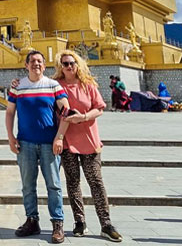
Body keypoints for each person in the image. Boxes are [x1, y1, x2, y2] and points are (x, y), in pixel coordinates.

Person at [54, 51, 123, 241]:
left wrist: (83, 117)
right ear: (60, 66)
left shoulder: (88, 85)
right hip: (67, 140)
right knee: (73, 182)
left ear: (78, 64)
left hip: (89, 139)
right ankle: (79, 221)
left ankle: (106, 224)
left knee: (96, 182)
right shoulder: (56, 86)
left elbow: (99, 108)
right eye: (65, 63)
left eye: (72, 63)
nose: (69, 66)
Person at [6, 50, 70, 244]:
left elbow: (67, 111)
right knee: (27, 185)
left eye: (40, 61)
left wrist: (59, 137)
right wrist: (10, 137)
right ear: (26, 65)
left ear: (45, 65)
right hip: (25, 143)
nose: (36, 64)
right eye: (32, 61)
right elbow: (10, 113)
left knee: (54, 185)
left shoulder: (53, 85)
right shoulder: (18, 87)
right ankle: (32, 220)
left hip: (49, 143)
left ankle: (57, 223)